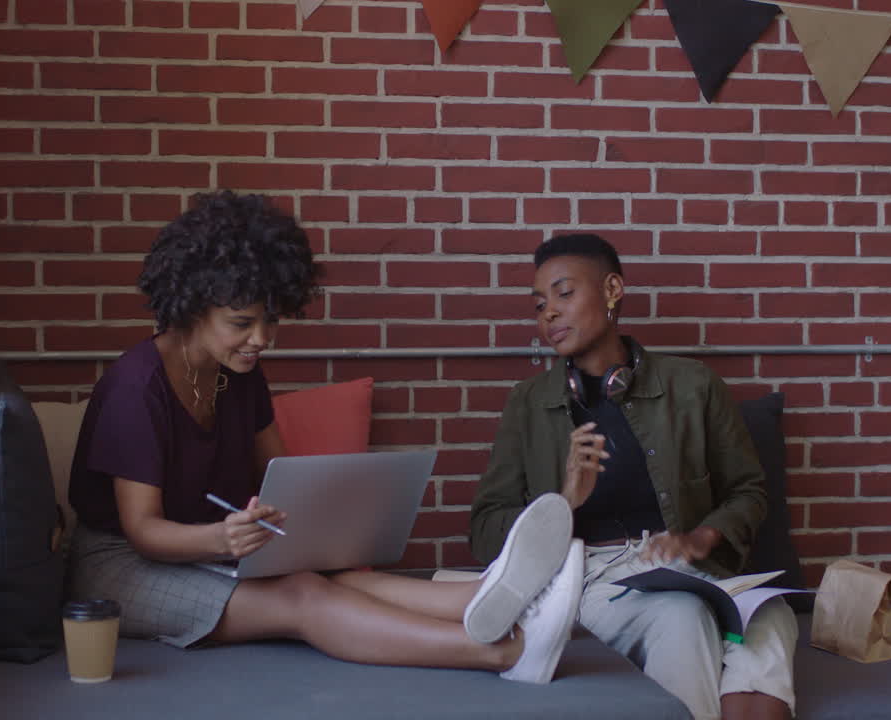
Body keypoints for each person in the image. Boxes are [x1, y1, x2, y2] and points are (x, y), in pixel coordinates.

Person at [65, 189, 585, 684]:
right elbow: (142, 532)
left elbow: (282, 477)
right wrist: (222, 538)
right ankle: (508, 653)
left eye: (270, 322)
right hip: (120, 565)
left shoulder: (239, 374)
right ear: (191, 309)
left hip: (206, 543)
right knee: (301, 596)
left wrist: (302, 526)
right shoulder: (135, 387)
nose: (261, 340)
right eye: (242, 323)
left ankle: (491, 594)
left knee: (329, 570)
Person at [469, 234, 798, 719]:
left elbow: (747, 490)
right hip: (592, 578)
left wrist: (703, 537)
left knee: (768, 613)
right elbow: (485, 530)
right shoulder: (529, 404)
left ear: (612, 289)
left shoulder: (693, 385)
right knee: (681, 618)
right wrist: (562, 502)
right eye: (540, 303)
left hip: (687, 570)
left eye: (564, 294)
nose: (548, 314)